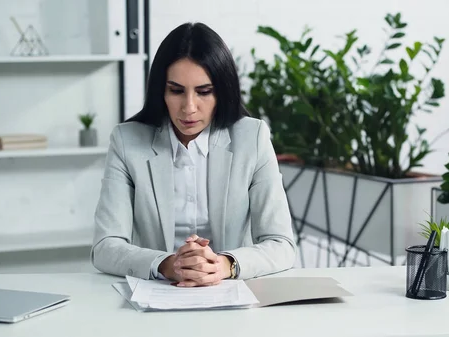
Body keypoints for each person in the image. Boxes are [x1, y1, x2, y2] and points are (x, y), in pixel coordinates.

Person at [90, 22, 296, 287]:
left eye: (204, 92)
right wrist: (167, 265)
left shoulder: (252, 138)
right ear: (160, 92)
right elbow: (105, 246)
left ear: (222, 92)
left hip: (231, 291)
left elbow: (281, 244)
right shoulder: (127, 141)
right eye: (176, 91)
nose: (189, 107)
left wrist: (224, 265)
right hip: (158, 291)